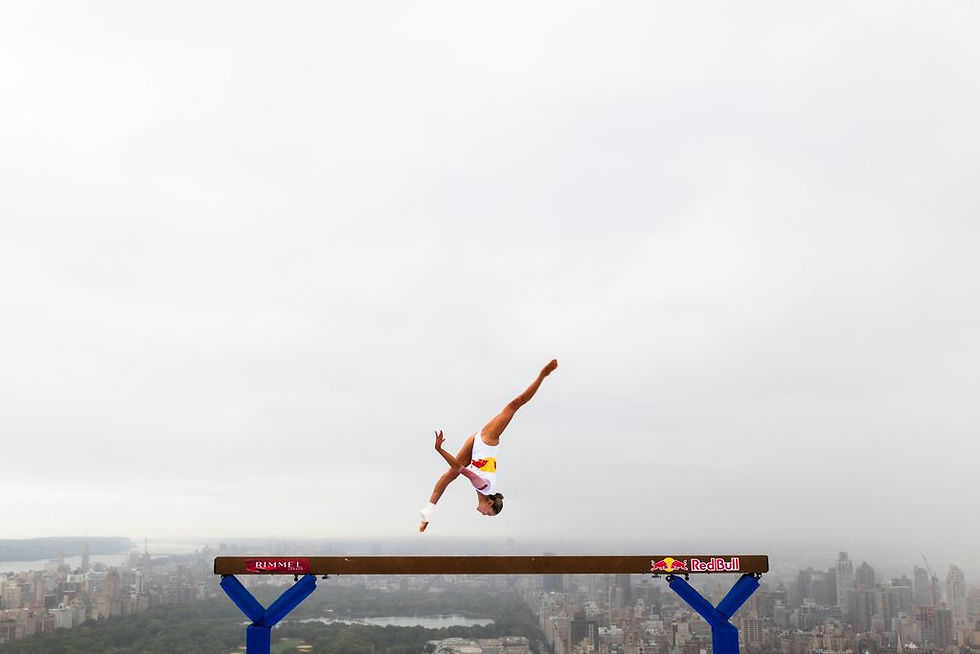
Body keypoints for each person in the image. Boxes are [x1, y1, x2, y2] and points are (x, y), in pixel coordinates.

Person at [419, 359, 558, 532]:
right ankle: (543, 375)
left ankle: (428, 512)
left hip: (475, 446)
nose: (484, 515)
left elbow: (458, 467)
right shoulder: (483, 486)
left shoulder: (483, 488)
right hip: (488, 439)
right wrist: (439, 449)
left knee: (448, 476)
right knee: (514, 405)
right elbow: (458, 466)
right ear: (490, 502)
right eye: (488, 513)